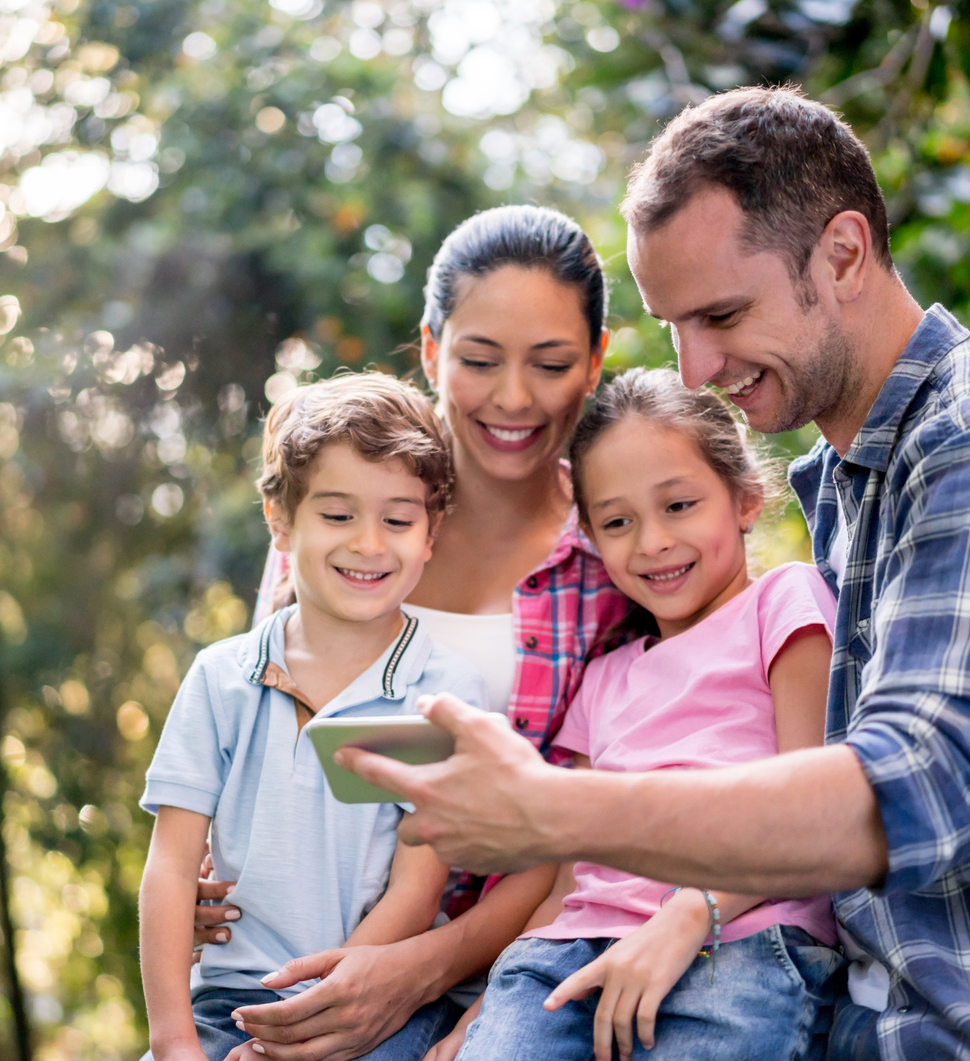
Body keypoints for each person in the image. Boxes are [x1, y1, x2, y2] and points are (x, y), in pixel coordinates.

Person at [339, 86, 970, 1061]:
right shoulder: (851, 485)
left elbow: (909, 790)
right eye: (672, 322)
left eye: (720, 312)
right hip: (865, 1019)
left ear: (842, 253)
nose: (692, 368)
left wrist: (548, 809)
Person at [186, 206, 634, 1061]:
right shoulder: (349, 532)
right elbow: (248, 747)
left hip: (503, 984)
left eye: (549, 363)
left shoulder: (618, 554)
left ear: (594, 362)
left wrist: (418, 967)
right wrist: (195, 877)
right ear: (430, 350)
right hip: (282, 967)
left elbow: (585, 839)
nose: (512, 397)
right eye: (477, 359)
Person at [448, 367, 843, 1061]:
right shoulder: (602, 677)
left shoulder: (784, 601)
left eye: (679, 505)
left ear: (745, 498)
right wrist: (477, 1019)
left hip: (739, 938)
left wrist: (695, 911)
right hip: (567, 954)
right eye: (618, 521)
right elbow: (570, 879)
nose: (652, 541)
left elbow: (816, 811)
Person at [137, 373, 489, 1061]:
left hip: (372, 1001)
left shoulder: (441, 690)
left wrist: (309, 1020)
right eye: (337, 515)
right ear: (280, 521)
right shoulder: (220, 678)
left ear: (430, 533)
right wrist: (175, 1042)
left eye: (397, 519)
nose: (367, 544)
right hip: (226, 1002)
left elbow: (415, 895)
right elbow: (171, 868)